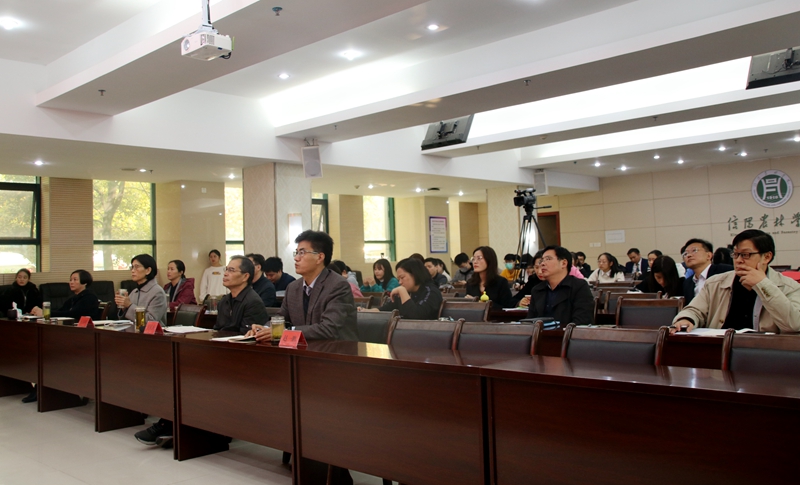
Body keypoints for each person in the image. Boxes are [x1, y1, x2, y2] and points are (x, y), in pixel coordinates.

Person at [673, 230, 800, 333]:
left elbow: (794, 325)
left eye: (745, 255)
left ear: (767, 257)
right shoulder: (715, 283)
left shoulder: (789, 286)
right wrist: (686, 319)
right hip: (721, 347)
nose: (738, 260)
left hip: (764, 351)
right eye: (735, 254)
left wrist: (763, 284)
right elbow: (694, 310)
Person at [248, 230, 357, 342]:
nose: (296, 258)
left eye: (302, 253)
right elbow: (280, 318)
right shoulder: (293, 287)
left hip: (335, 349)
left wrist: (285, 331)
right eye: (296, 253)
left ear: (319, 257)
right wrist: (264, 329)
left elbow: (329, 328)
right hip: (302, 348)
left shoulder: (338, 285)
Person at [527, 245, 594, 325]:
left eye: (548, 259)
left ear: (563, 263)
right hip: (541, 332)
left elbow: (582, 321)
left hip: (567, 332)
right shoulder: (537, 290)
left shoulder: (579, 287)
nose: (542, 264)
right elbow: (530, 321)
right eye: (542, 260)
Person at [372, 258, 443, 320]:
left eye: (402, 277)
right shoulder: (408, 291)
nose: (400, 282)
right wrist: (367, 312)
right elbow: (384, 310)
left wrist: (402, 291)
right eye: (398, 279)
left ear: (415, 275)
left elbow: (416, 316)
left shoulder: (431, 291)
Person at [214, 256, 269, 334]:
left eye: (231, 270)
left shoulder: (253, 302)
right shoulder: (224, 301)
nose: (225, 274)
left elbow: (248, 335)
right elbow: (218, 329)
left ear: (245, 276)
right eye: (226, 269)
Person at [115, 254, 168, 326]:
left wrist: (129, 305)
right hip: (132, 331)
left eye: (137, 267)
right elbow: (125, 320)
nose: (132, 271)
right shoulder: (134, 292)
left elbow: (151, 321)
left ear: (148, 270)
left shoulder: (157, 292)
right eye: (132, 267)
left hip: (152, 333)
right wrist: (123, 307)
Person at [681, 238, 733, 305]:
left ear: (709, 255)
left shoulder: (725, 271)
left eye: (694, 250)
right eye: (685, 254)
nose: (689, 255)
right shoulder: (687, 283)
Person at [31, 269, 100, 320]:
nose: (71, 282)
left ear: (85, 282)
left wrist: (46, 313)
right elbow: (61, 311)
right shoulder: (74, 298)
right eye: (70, 280)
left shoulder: (89, 297)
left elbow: (72, 314)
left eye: (75, 280)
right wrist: (42, 312)